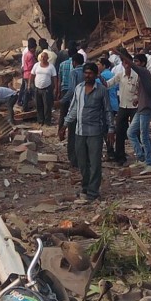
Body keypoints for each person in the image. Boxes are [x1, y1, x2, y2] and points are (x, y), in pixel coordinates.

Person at [59, 63, 114, 203]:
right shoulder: (79, 89)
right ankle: (85, 186)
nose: (87, 75)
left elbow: (108, 111)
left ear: (96, 75)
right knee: (82, 162)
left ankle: (93, 191)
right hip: (80, 131)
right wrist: (64, 125)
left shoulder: (102, 90)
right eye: (86, 73)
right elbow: (73, 109)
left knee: (95, 162)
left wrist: (111, 129)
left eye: (90, 73)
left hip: (95, 131)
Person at [107, 54, 142, 166]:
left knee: (135, 132)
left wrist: (138, 98)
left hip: (134, 108)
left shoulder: (137, 76)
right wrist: (98, 77)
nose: (126, 65)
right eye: (124, 62)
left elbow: (142, 91)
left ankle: (141, 155)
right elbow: (108, 84)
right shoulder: (120, 75)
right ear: (122, 64)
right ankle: (120, 156)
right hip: (122, 107)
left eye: (128, 62)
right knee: (120, 131)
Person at [127, 54, 151, 171]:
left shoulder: (144, 73)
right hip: (141, 107)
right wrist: (138, 99)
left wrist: (119, 53)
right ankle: (141, 158)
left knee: (144, 136)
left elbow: (131, 65)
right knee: (130, 132)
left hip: (145, 108)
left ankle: (150, 163)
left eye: (137, 61)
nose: (135, 64)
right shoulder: (143, 76)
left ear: (143, 63)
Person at [60, 54, 86, 167]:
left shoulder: (74, 73)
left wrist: (62, 101)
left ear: (74, 62)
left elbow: (71, 90)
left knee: (72, 135)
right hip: (87, 106)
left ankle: (73, 159)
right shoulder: (87, 72)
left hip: (75, 105)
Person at [30, 51, 58, 126]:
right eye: (41, 57)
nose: (42, 58)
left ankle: (47, 121)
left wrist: (55, 88)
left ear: (47, 58)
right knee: (38, 105)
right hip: (37, 88)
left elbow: (54, 77)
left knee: (47, 106)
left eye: (44, 57)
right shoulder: (36, 65)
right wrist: (29, 85)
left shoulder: (51, 67)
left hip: (47, 89)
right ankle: (40, 120)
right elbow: (32, 75)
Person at [20, 38, 37, 111]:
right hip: (30, 75)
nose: (35, 49)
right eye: (34, 48)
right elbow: (31, 66)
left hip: (25, 74)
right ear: (31, 48)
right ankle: (37, 107)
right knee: (34, 92)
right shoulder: (31, 56)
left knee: (27, 91)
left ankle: (24, 107)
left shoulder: (26, 54)